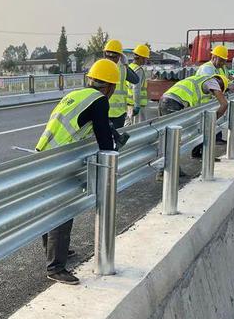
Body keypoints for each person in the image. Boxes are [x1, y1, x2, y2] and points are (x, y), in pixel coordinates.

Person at [35, 59, 119, 285]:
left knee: (52, 206)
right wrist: (111, 162)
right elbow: (103, 139)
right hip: (59, 159)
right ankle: (56, 267)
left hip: (44, 153)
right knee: (64, 210)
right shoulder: (100, 100)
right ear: (110, 87)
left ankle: (52, 251)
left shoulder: (78, 95)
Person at [103, 39, 140, 129]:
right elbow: (136, 79)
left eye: (112, 56)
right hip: (116, 113)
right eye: (109, 56)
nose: (111, 59)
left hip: (105, 112)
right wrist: (126, 64)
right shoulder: (123, 68)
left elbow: (136, 80)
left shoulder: (100, 66)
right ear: (120, 56)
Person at [127, 44, 150, 124]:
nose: (145, 61)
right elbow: (136, 89)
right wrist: (137, 106)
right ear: (140, 57)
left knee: (129, 127)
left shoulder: (129, 67)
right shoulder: (138, 70)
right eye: (145, 58)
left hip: (129, 104)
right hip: (137, 106)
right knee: (140, 128)